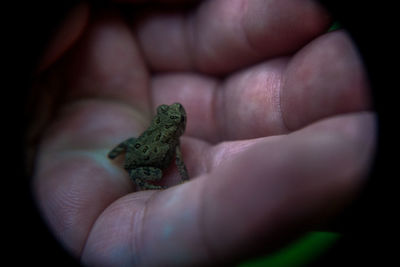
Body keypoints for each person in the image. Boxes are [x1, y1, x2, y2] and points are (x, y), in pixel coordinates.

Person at [29, 0, 375, 265]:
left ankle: (118, 154)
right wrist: (178, 181)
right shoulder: (174, 143)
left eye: (176, 116)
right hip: (141, 164)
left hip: (137, 145)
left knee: (135, 145)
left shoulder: (165, 135)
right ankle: (137, 173)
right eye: (175, 117)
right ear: (174, 126)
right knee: (143, 166)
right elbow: (178, 162)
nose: (178, 118)